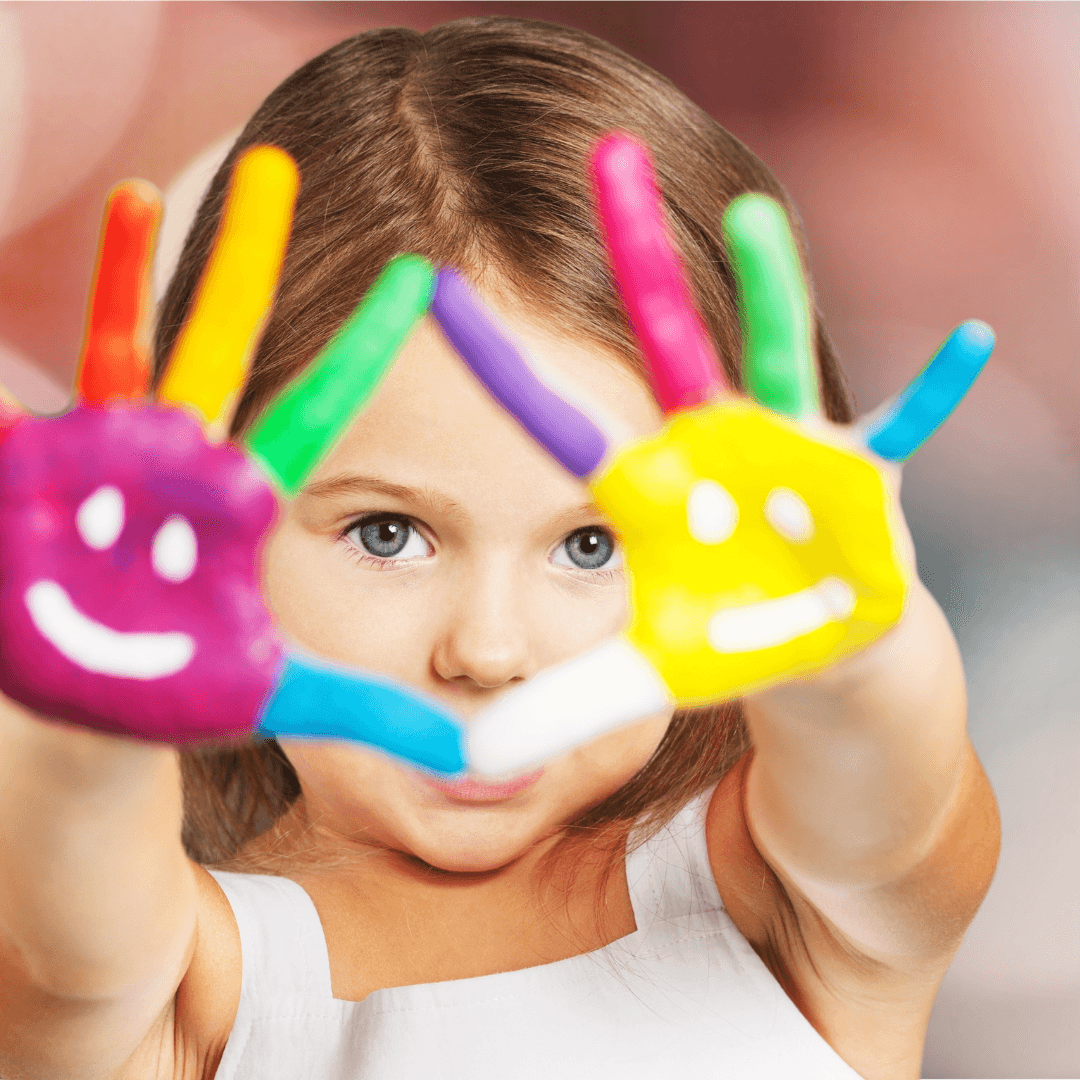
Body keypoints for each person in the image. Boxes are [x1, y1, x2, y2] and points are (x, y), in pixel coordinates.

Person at [0, 16, 1000, 1080]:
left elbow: (889, 788)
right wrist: (92, 719)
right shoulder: (185, 988)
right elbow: (68, 950)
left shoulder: (786, 902)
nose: (487, 650)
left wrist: (856, 652)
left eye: (591, 545)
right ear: (221, 549)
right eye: (387, 534)